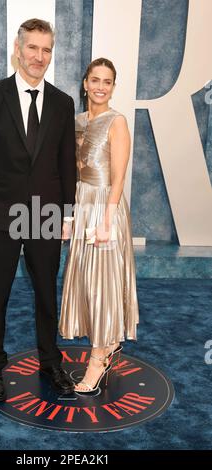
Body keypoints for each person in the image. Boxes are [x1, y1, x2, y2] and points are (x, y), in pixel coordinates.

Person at [0, 18, 76, 401]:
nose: (39, 57)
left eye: (46, 50)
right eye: (32, 48)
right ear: (18, 48)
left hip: (45, 216)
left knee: (46, 293)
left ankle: (51, 362)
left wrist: (69, 215)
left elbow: (66, 165)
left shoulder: (62, 103)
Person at [59, 58, 139, 393]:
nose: (100, 87)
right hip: (82, 200)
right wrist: (70, 214)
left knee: (104, 281)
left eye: (107, 82)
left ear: (113, 86)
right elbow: (68, 170)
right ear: (85, 83)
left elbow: (119, 176)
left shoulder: (117, 122)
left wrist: (106, 220)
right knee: (87, 279)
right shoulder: (76, 121)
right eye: (95, 80)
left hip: (106, 206)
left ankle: (98, 360)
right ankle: (107, 343)